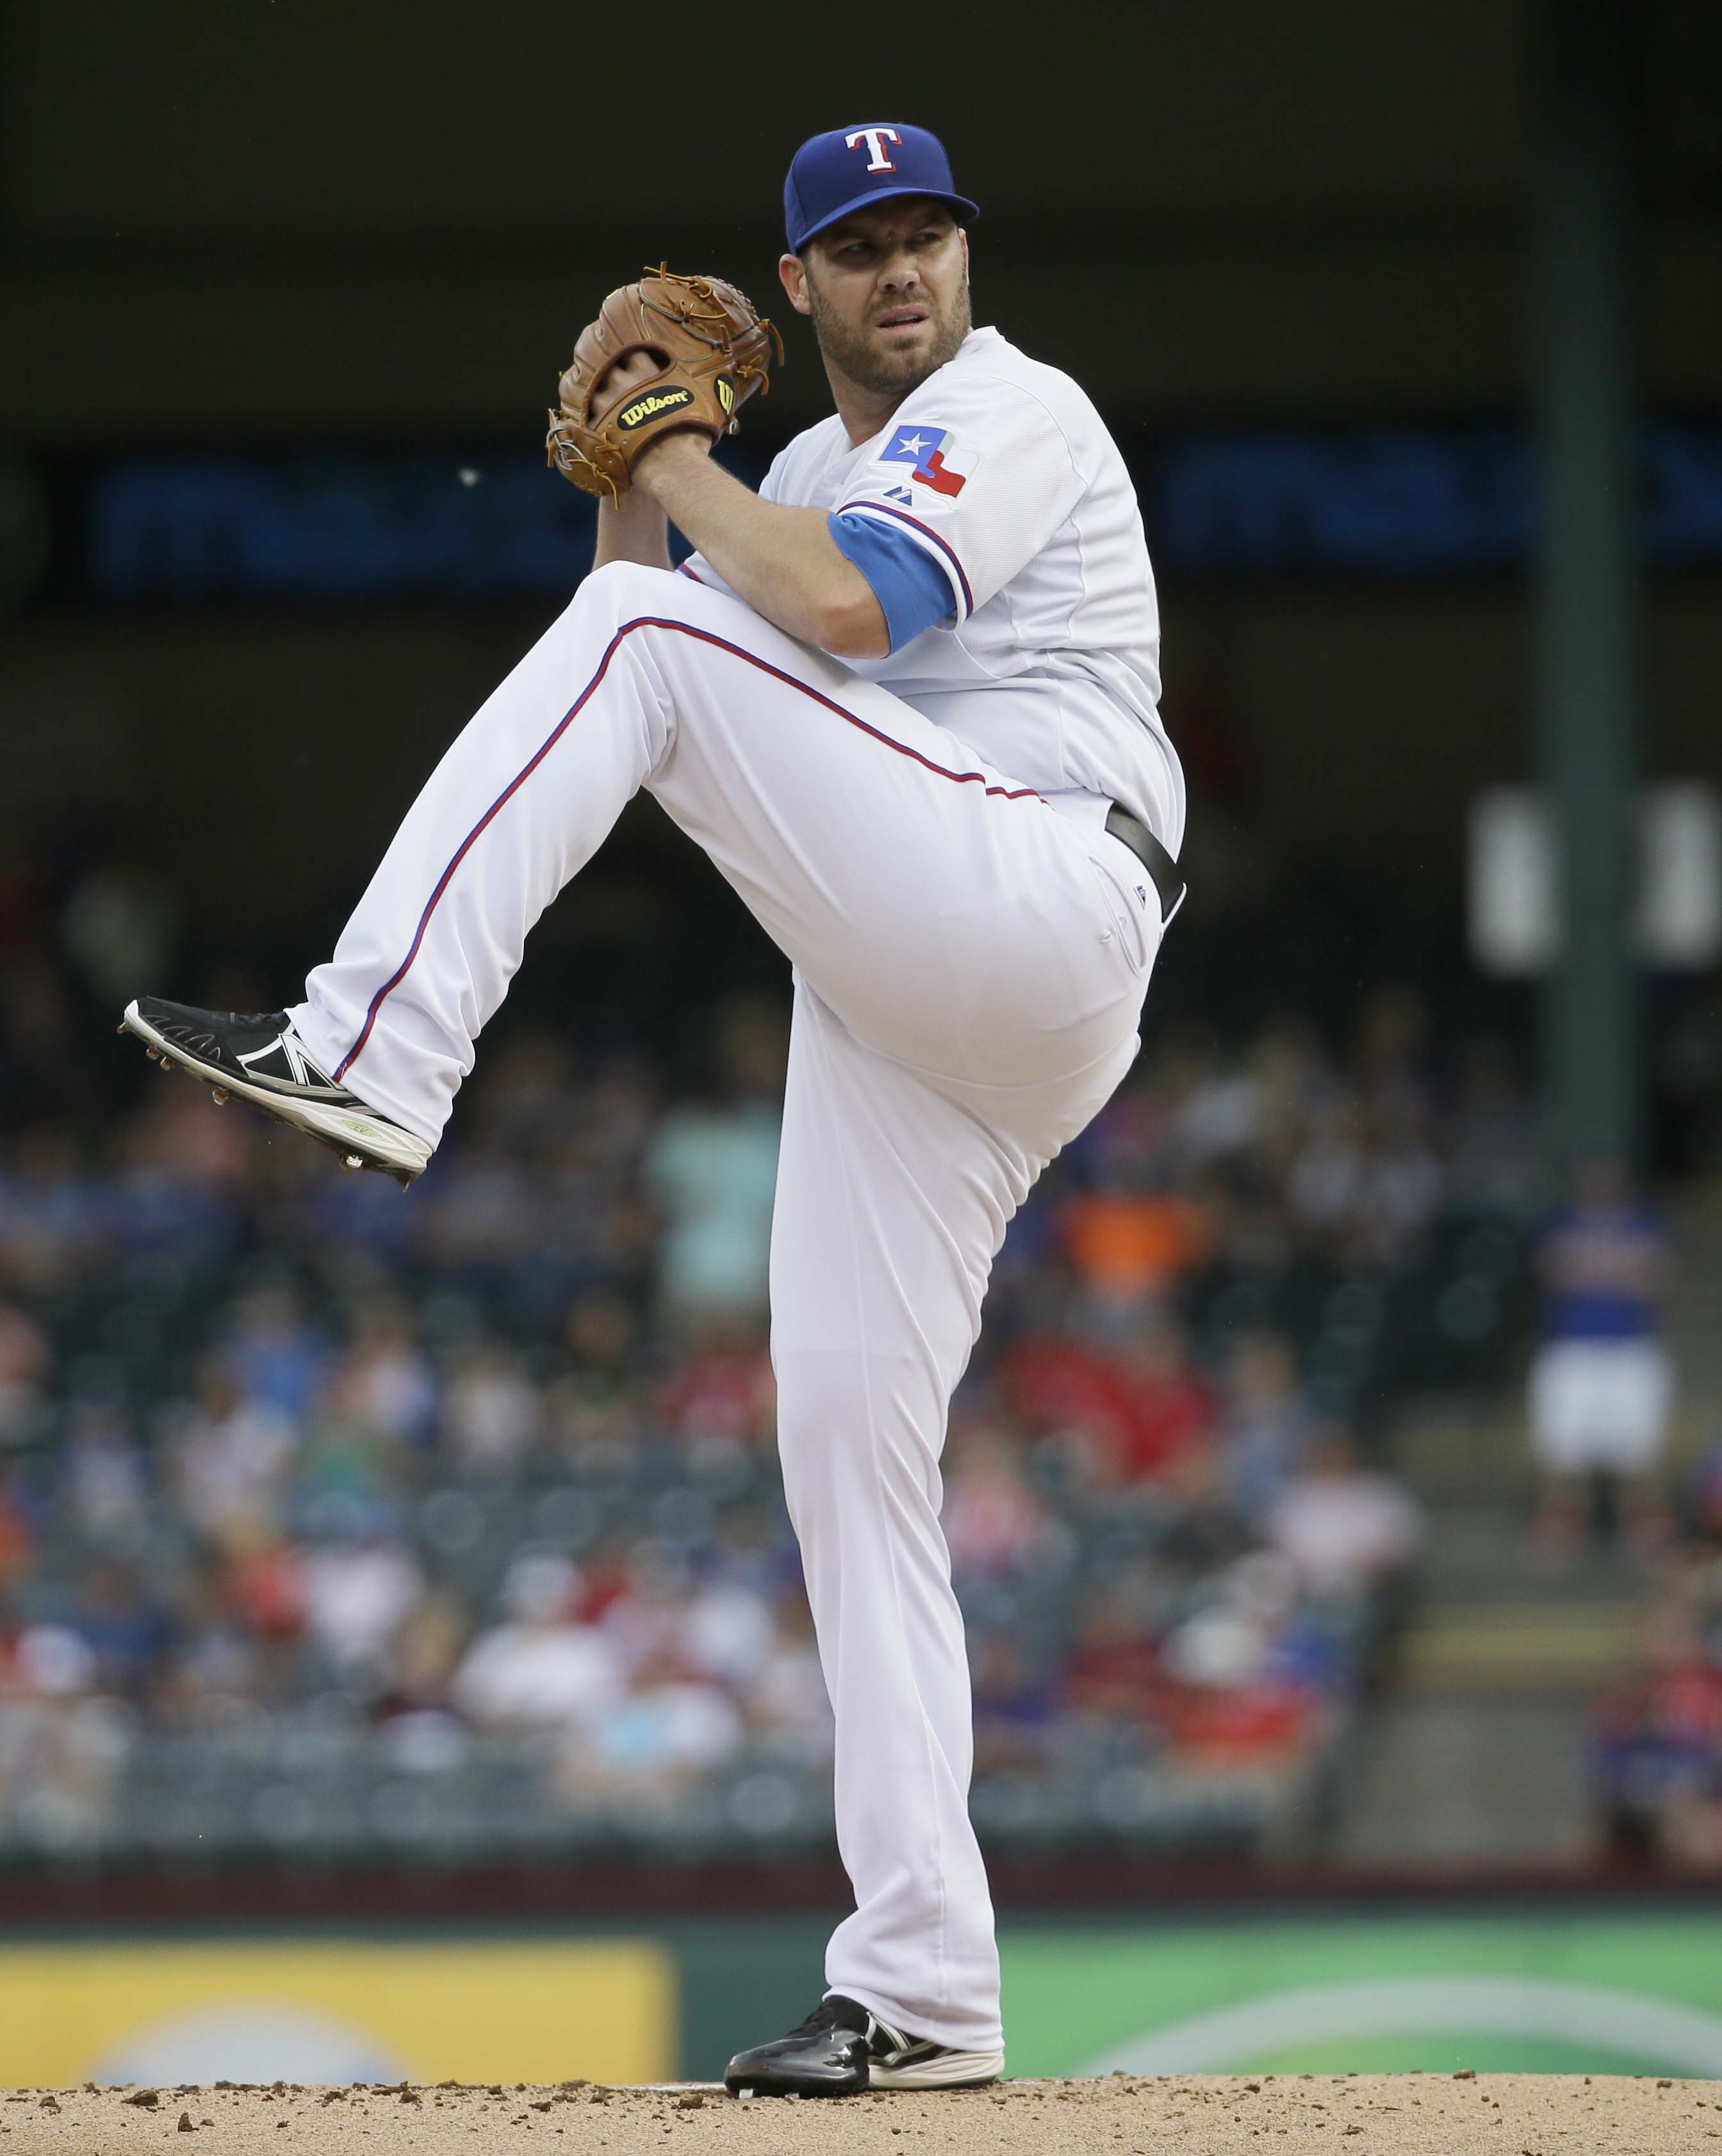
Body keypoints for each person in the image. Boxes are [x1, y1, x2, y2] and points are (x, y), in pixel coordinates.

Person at [116, 122, 1185, 2096]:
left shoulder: (1011, 407)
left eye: (925, 235)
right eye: (858, 245)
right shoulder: (796, 479)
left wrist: (673, 463)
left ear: (965, 257)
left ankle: (374, 1043)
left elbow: (843, 610)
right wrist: (631, 481)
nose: (900, 270)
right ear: (798, 284)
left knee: (652, 637)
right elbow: (632, 671)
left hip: (1044, 893)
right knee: (846, 1448)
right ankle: (928, 1986)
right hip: (910, 986)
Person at [1529, 1157, 1675, 1561]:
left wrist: (1593, 1267)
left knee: (1640, 1452)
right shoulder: (1559, 1220)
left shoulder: (1645, 1220)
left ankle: (1645, 1532)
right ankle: (1560, 1531)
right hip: (1571, 1348)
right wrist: (1620, 1267)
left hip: (1632, 1348)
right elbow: (1553, 1272)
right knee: (1563, 1451)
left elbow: (1659, 1276)